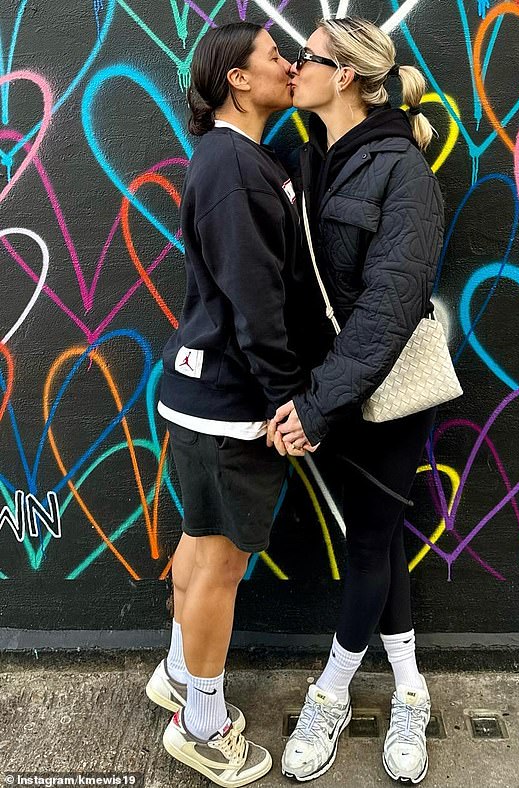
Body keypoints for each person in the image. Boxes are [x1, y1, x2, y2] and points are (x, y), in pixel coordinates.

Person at [267, 17, 445, 784]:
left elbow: (388, 309)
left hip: (385, 394)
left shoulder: (403, 170)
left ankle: (332, 692)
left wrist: (317, 404)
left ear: (343, 75)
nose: (291, 66)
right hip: (328, 391)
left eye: (304, 56)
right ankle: (411, 687)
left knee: (369, 541)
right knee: (377, 531)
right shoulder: (302, 160)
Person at [145, 22, 310, 787]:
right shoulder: (235, 166)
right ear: (237, 80)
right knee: (220, 564)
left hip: (201, 397)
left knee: (200, 544)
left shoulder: (231, 158)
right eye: (276, 56)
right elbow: (257, 300)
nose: (292, 64)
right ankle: (202, 726)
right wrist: (287, 401)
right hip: (232, 405)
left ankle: (178, 676)